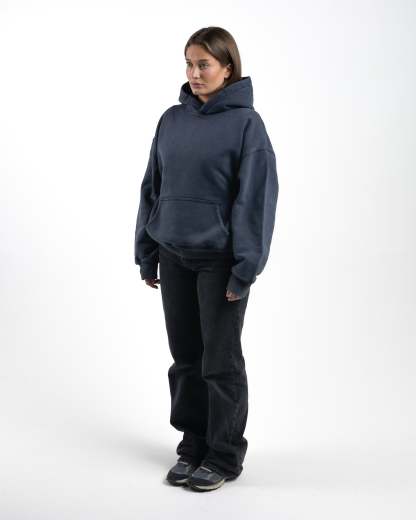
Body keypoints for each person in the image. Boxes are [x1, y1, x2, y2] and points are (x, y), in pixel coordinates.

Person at [134, 26, 279, 492]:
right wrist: (146, 251)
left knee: (220, 362)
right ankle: (193, 444)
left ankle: (224, 454)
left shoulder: (247, 126)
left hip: (219, 262)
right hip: (174, 255)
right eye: (189, 63)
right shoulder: (171, 120)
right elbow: (152, 187)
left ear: (227, 69)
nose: (194, 73)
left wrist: (245, 268)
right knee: (186, 359)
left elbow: (256, 200)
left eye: (204, 64)